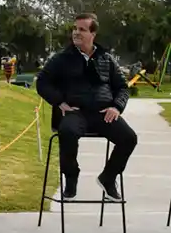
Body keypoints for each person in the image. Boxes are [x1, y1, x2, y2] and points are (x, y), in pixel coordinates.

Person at [36, 12, 137, 201]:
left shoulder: (106, 59)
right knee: (67, 132)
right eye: (75, 29)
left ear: (93, 34)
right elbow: (42, 83)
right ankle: (71, 177)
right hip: (75, 112)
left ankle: (108, 178)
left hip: (103, 113)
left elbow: (123, 87)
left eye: (82, 29)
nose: (76, 33)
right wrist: (59, 102)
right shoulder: (61, 58)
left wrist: (116, 107)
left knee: (129, 138)